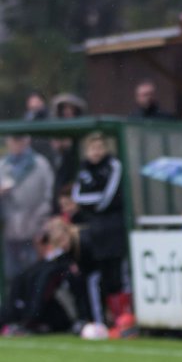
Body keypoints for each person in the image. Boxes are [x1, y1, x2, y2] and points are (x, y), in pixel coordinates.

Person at [71, 133, 129, 323]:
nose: (96, 152)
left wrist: (91, 202)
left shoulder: (113, 165)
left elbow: (108, 198)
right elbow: (77, 196)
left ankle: (122, 319)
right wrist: (92, 201)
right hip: (94, 231)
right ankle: (100, 319)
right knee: (98, 277)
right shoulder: (83, 168)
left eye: (99, 147)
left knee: (117, 276)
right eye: (92, 148)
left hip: (113, 229)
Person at [1, 135, 54, 281]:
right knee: (11, 276)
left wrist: (40, 221)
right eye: (14, 140)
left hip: (35, 229)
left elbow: (48, 196)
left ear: (28, 140)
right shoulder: (2, 165)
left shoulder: (41, 164)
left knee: (34, 274)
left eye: (20, 139)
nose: (17, 144)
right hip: (9, 231)